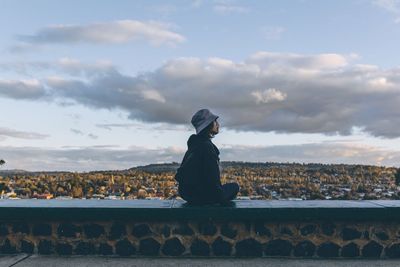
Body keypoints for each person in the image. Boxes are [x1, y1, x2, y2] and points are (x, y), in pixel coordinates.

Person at [175, 109, 240, 205]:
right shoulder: (207, 147)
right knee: (235, 187)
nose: (218, 124)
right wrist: (219, 196)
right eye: (215, 121)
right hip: (201, 195)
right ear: (209, 125)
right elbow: (212, 179)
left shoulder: (195, 144)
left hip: (186, 193)